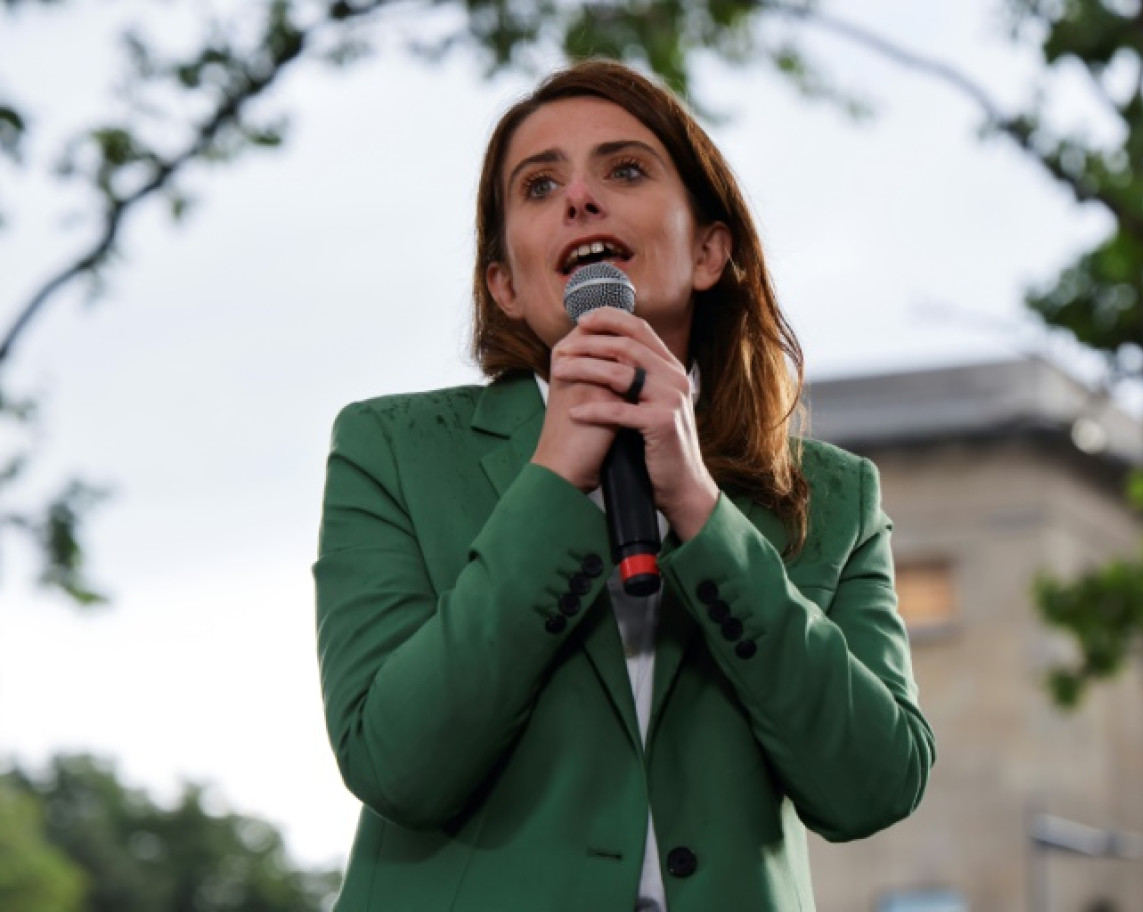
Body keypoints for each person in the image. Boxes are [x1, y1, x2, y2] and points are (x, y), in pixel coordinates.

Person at [313, 59, 935, 912]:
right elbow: (396, 764)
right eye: (538, 186)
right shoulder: (391, 449)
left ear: (711, 250)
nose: (579, 198)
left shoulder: (834, 498)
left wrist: (701, 513)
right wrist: (552, 484)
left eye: (626, 169)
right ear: (505, 282)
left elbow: (876, 785)